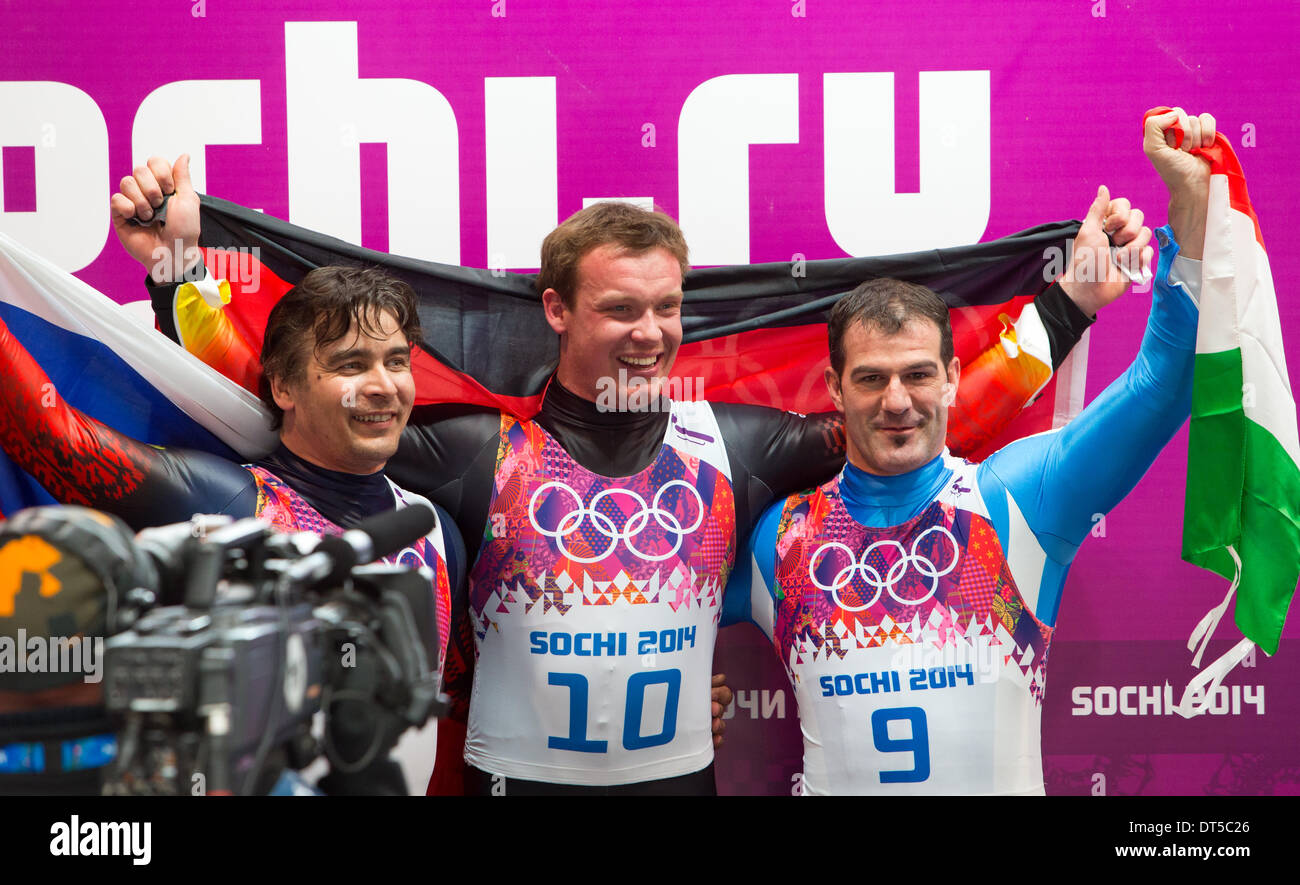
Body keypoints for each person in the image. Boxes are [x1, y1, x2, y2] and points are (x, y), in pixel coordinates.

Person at [123, 160, 1116, 794]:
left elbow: (906, 423)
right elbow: (293, 417)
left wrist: (1065, 310)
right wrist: (177, 279)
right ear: (556, 311)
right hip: (508, 782)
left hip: (681, 783)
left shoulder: (735, 442)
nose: (648, 333)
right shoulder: (475, 451)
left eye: (666, 308)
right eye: (618, 310)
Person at [723, 108, 1215, 794]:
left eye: (919, 374)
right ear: (833, 387)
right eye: (871, 378)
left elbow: (1167, 379)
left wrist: (1192, 200)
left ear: (953, 379)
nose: (897, 400)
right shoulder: (777, 541)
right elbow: (621, 603)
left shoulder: (1017, 500)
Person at [0, 264, 460, 794]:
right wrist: (175, 266)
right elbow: (55, 440)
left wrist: (178, 263)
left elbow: (457, 708)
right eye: (351, 365)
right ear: (284, 386)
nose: (382, 387)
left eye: (396, 362)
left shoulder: (437, 528)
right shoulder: (223, 502)